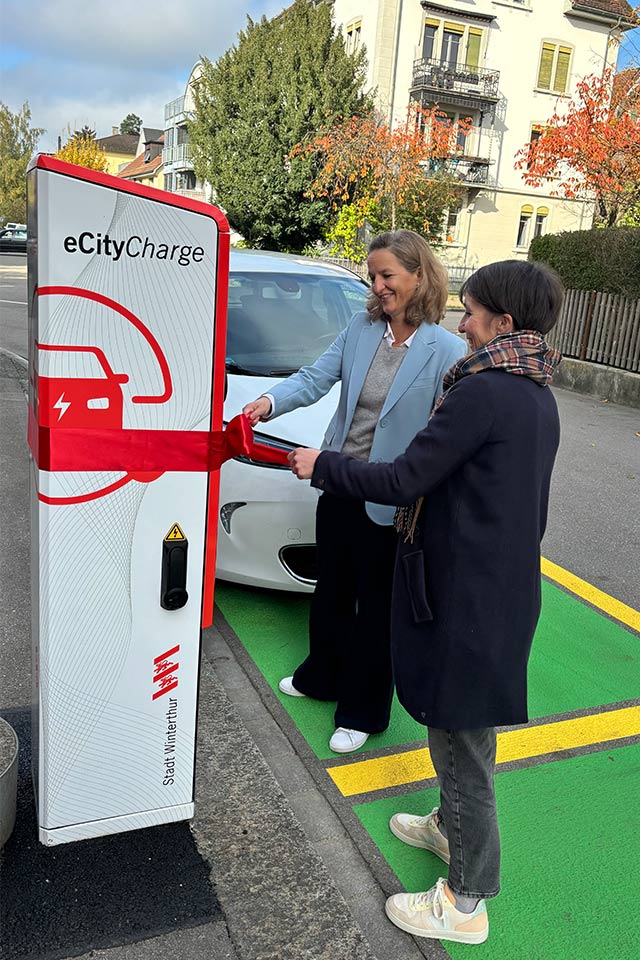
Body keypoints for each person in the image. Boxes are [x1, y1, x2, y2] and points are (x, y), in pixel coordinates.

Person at [288, 259, 563, 944]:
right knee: (461, 727)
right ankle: (448, 828)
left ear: (503, 322)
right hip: (497, 588)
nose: (461, 324)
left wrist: (323, 465)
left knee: (461, 740)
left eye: (471, 313)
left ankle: (466, 903)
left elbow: (407, 475)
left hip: (470, 593)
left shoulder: (484, 392)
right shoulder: (535, 392)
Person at [242, 230, 465, 754]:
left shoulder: (446, 350)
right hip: (338, 480)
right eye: (373, 276)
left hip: (392, 498)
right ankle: (322, 677)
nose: (379, 285)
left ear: (419, 276)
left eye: (387, 275)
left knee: (377, 610)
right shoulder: (362, 328)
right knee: (332, 590)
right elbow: (316, 378)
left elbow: (441, 437)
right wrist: (269, 403)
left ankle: (363, 711)